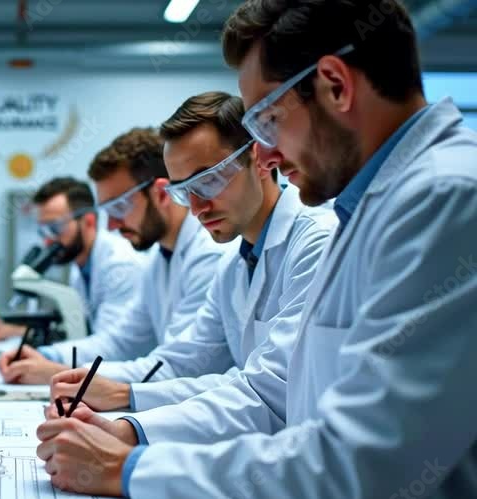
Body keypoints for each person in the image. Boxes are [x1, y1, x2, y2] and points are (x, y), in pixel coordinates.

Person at [36, 2, 477, 499]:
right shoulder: (368, 209)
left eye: (266, 119)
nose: (264, 153)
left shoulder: (446, 198)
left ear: (336, 85)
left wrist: (132, 466)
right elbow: (273, 397)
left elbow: (361, 467)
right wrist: (130, 431)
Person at [48, 92, 336, 448]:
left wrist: (130, 429)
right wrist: (124, 396)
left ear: (259, 159)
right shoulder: (233, 262)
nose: (197, 207)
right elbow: (187, 362)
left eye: (209, 180)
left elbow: (272, 393)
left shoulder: (317, 242)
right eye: (186, 191)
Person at [3, 129, 223, 383]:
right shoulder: (158, 260)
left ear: (161, 194)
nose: (111, 226)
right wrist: (47, 354)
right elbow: (121, 341)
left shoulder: (208, 255)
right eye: (108, 211)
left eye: (120, 207)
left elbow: (183, 366)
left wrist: (63, 373)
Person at [0, 177, 149, 383]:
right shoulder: (79, 265)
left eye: (55, 228)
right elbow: (84, 329)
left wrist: (49, 357)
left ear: (89, 221)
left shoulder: (121, 264)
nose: (48, 240)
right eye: (43, 231)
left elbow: (115, 346)